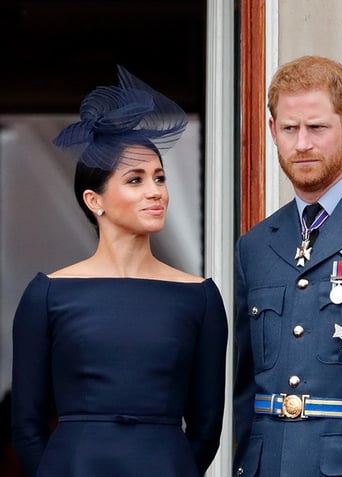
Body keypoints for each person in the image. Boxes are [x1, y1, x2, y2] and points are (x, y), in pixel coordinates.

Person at [11, 66, 228, 477]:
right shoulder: (48, 294)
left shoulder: (200, 297)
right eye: (135, 179)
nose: (156, 192)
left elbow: (207, 428)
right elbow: (25, 425)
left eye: (160, 178)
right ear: (95, 200)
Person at [233, 55, 342, 477]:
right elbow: (243, 387)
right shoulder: (255, 245)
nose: (302, 143)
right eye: (289, 128)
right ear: (272, 131)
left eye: (317, 128)